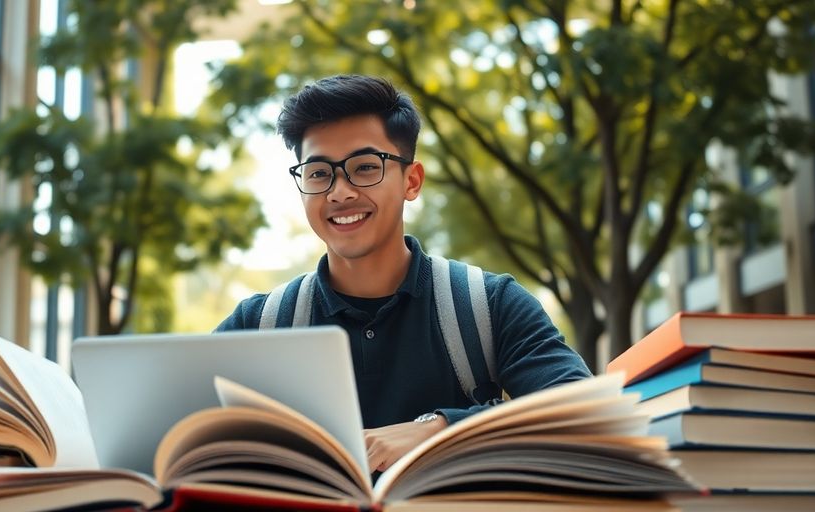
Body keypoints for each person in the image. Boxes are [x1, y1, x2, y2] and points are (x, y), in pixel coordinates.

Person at [214, 74, 591, 472]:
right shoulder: (259, 325)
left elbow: (580, 413)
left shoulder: (489, 305)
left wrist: (441, 428)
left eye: (364, 168)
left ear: (411, 181)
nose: (339, 192)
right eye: (319, 173)